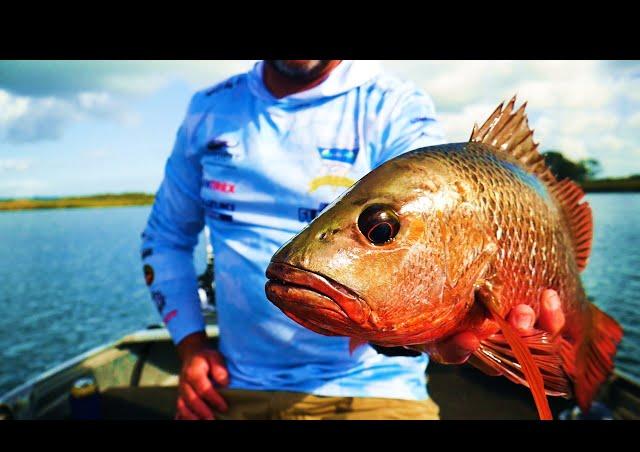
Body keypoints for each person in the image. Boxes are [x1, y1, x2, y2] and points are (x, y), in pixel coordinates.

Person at [141, 60, 565, 420]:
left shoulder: (393, 106)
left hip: (375, 391)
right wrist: (191, 347)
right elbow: (165, 238)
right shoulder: (208, 110)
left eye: (379, 231)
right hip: (226, 387)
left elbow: (439, 201)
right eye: (378, 229)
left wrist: (432, 332)